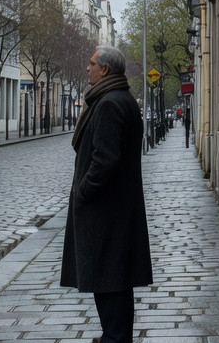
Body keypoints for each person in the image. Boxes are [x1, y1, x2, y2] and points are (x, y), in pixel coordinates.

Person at [62, 45, 154, 343]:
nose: (87, 68)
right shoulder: (119, 98)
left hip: (106, 210)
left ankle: (114, 338)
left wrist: (84, 191)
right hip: (115, 209)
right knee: (115, 279)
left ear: (105, 70)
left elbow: (105, 158)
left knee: (107, 278)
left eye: (91, 64)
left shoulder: (109, 103)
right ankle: (114, 336)